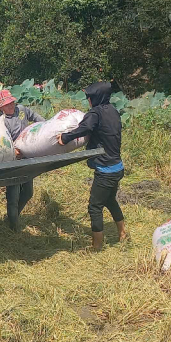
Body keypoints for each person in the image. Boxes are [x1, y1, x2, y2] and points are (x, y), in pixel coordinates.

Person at [58, 81, 125, 251]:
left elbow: (84, 128)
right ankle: (123, 233)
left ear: (96, 97)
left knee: (94, 207)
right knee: (109, 200)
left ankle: (96, 246)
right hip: (117, 166)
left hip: (105, 169)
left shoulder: (95, 113)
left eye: (89, 97)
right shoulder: (113, 111)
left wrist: (65, 138)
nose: (88, 100)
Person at [0, 89, 45, 230]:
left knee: (28, 192)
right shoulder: (1, 122)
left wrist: (44, 127)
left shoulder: (21, 110)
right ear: (1, 108)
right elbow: (1, 142)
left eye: (12, 103)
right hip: (13, 161)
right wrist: (14, 151)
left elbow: (36, 118)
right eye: (7, 105)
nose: (11, 106)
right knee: (13, 196)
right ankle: (14, 227)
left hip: (28, 157)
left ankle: (12, 216)